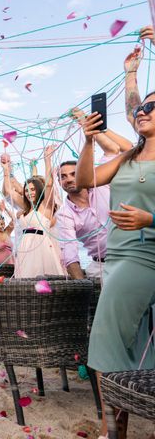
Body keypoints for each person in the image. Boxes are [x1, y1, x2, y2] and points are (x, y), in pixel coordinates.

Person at [77, 104, 155, 438]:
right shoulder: (126, 157)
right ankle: (118, 422)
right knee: (136, 342)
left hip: (147, 255)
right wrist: (89, 142)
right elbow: (84, 181)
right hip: (117, 256)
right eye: (140, 108)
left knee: (104, 336)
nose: (142, 111)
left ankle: (112, 431)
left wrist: (150, 220)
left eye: (151, 106)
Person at [56, 109, 133, 279]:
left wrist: (86, 123)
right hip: (101, 266)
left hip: (133, 255)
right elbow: (70, 254)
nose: (68, 179)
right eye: (63, 177)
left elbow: (112, 149)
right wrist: (82, 286)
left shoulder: (101, 182)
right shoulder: (64, 213)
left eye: (73, 173)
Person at [2, 145, 65, 277]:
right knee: (25, 281)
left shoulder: (45, 206)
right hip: (25, 247)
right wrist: (6, 170)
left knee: (42, 278)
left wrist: (47, 159)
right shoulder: (26, 208)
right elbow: (8, 191)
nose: (29, 192)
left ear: (38, 190)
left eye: (32, 189)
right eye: (26, 190)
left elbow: (48, 184)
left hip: (41, 248)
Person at [0, 200, 15, 265]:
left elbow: (14, 219)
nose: (2, 226)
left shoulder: (7, 232)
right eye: (0, 224)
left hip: (11, 264)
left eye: (3, 224)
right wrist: (0, 211)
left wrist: (5, 209)